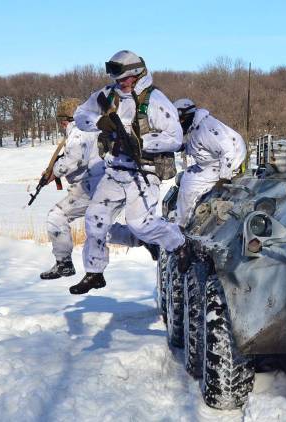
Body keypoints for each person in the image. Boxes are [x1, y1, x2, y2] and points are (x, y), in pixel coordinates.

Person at [70, 50, 187, 295]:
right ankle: (94, 272)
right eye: (116, 78)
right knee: (95, 220)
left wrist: (142, 142)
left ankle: (177, 242)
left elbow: (175, 138)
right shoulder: (108, 95)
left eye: (123, 78)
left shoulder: (155, 100)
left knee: (139, 224)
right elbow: (81, 114)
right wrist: (99, 123)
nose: (119, 82)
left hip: (143, 171)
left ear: (136, 74)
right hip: (114, 171)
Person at [40, 98, 105, 279]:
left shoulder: (79, 132)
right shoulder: (93, 128)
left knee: (57, 216)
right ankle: (143, 238)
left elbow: (74, 159)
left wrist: (54, 172)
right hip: (99, 184)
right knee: (100, 226)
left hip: (89, 185)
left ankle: (64, 263)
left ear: (64, 120)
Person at [173, 98, 246, 228]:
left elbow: (228, 151)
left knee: (189, 186)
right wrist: (182, 147)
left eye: (179, 121)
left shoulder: (205, 128)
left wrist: (223, 178)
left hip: (227, 163)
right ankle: (180, 216)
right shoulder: (196, 127)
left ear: (186, 117)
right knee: (186, 176)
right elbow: (201, 147)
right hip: (213, 162)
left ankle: (180, 225)